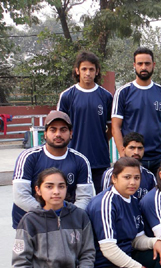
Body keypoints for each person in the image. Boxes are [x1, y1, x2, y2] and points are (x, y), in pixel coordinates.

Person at [12, 110, 94, 229]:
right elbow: (20, 196)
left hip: (66, 223)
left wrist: (67, 217)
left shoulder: (80, 160)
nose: (58, 134)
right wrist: (49, 215)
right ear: (45, 133)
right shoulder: (29, 157)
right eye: (53, 129)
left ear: (71, 133)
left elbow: (85, 197)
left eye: (63, 130)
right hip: (30, 224)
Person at [111, 47, 161, 174]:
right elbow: (115, 126)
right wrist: (122, 153)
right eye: (140, 64)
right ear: (134, 65)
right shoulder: (123, 92)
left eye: (147, 63)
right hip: (133, 158)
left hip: (158, 158)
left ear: (153, 65)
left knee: (159, 194)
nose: (144, 67)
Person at [57, 51, 113, 193]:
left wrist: (100, 140)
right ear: (77, 70)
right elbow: (59, 128)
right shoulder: (67, 96)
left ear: (97, 71)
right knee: (74, 200)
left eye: (91, 69)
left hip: (99, 159)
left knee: (99, 200)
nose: (87, 73)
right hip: (73, 159)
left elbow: (112, 127)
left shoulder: (106, 96)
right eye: (84, 69)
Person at [102, 132, 156, 201]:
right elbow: (106, 200)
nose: (136, 152)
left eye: (140, 148)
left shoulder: (150, 176)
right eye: (132, 148)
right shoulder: (111, 173)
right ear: (123, 149)